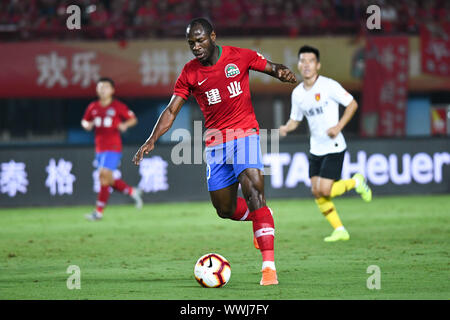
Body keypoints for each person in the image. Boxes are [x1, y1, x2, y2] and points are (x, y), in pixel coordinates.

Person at [133, 18, 297, 285]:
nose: (196, 47)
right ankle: (260, 218)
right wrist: (151, 139)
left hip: (245, 133)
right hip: (216, 142)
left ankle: (269, 268)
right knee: (224, 208)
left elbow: (271, 67)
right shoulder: (189, 73)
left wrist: (282, 72)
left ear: (212, 36)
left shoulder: (239, 56)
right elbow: (172, 110)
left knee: (254, 189)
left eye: (200, 40)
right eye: (191, 43)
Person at [279, 45, 372, 242]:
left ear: (318, 65)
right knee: (316, 191)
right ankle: (340, 230)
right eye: (302, 61)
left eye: (310, 61)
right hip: (316, 148)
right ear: (298, 64)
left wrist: (338, 127)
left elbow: (352, 104)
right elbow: (295, 120)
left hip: (334, 146)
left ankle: (357, 182)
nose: (306, 65)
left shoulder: (329, 86)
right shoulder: (297, 94)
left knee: (326, 190)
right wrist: (286, 128)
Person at [82, 77, 143, 221]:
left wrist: (125, 125)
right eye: (100, 87)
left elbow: (133, 119)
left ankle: (98, 212)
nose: (102, 90)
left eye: (105, 87)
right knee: (107, 179)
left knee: (103, 175)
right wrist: (86, 125)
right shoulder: (93, 107)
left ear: (112, 90)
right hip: (99, 148)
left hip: (113, 146)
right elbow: (85, 120)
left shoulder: (118, 106)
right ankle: (132, 191)